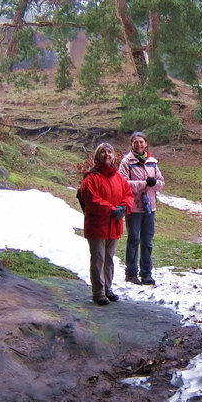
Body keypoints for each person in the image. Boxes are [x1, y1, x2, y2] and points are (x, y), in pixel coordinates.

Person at [78, 142, 133, 305]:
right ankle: (98, 292)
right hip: (97, 225)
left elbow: (128, 194)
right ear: (97, 156)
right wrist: (112, 209)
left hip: (114, 225)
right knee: (98, 258)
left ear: (114, 156)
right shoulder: (90, 178)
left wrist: (124, 208)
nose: (107, 155)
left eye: (109, 152)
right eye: (103, 152)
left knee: (109, 258)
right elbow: (92, 200)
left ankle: (108, 289)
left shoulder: (118, 178)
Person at [119, 131, 165, 286]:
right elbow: (123, 183)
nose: (139, 145)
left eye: (141, 142)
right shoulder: (126, 162)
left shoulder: (152, 162)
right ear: (131, 144)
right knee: (133, 240)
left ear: (146, 144)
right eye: (135, 142)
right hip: (133, 207)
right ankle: (131, 273)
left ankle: (146, 274)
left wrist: (154, 183)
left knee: (147, 242)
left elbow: (161, 183)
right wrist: (144, 183)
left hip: (149, 208)